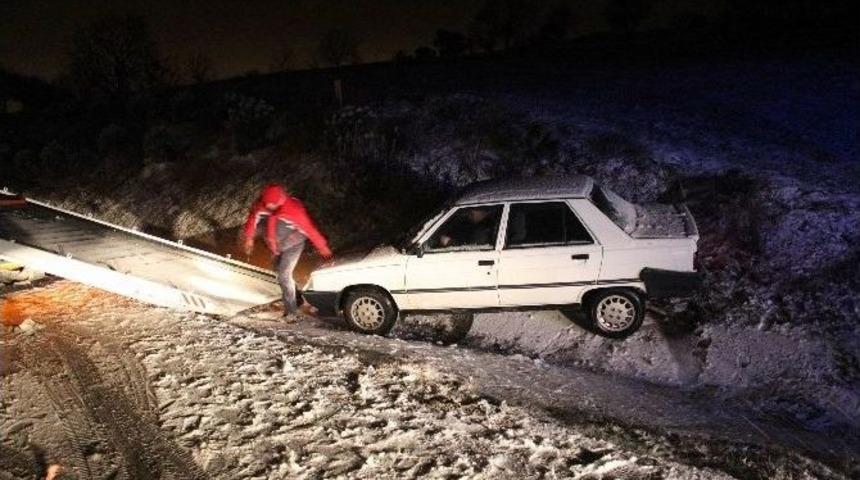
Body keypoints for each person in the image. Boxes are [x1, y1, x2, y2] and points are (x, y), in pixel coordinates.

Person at [241, 183, 332, 318]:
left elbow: (310, 230)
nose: (270, 207)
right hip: (275, 243)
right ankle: (298, 299)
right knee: (279, 273)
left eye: (273, 205)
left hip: (293, 244)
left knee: (284, 274)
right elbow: (253, 217)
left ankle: (291, 311)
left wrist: (323, 249)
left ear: (280, 201)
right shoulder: (262, 205)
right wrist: (249, 238)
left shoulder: (294, 210)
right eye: (268, 205)